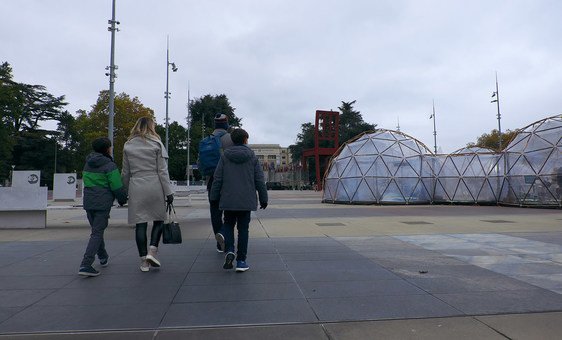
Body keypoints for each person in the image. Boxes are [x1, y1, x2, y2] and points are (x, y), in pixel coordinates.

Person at [210, 128, 268, 272]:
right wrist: (263, 198)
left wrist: (214, 197)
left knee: (228, 224)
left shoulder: (224, 157)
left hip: (228, 199)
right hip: (246, 200)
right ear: (245, 140)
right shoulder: (252, 157)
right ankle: (241, 261)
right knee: (243, 230)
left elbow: (217, 179)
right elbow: (260, 180)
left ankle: (229, 250)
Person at [122, 117, 174, 272]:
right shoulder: (156, 143)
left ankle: (143, 261)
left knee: (141, 224)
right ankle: (153, 250)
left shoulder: (128, 145)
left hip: (136, 185)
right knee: (158, 219)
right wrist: (169, 192)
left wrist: (124, 191)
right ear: (151, 127)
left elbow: (125, 172)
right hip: (155, 184)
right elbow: (162, 171)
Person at [78, 137, 127, 277]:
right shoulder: (109, 165)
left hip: (88, 202)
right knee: (97, 233)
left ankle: (103, 256)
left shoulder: (87, 163)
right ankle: (86, 264)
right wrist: (122, 199)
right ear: (107, 149)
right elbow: (116, 186)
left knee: (96, 230)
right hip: (102, 203)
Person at [199, 113, 233, 253]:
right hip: (229, 180)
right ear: (226, 124)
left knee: (215, 212)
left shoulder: (206, 141)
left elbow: (200, 164)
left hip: (212, 181)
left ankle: (220, 242)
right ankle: (227, 236)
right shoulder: (232, 139)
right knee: (230, 212)